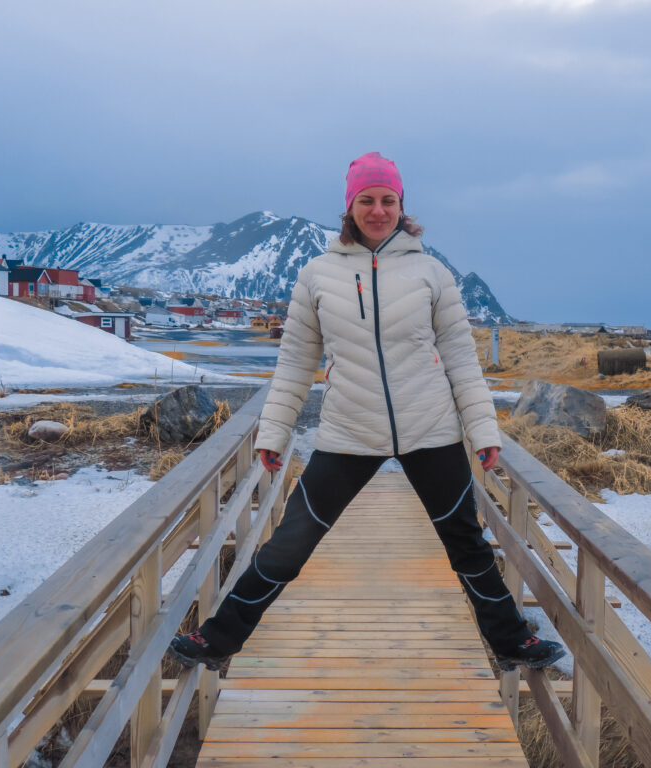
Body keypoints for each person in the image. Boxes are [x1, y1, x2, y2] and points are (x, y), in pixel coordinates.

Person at [170, 152, 564, 673]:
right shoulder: (317, 275)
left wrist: (483, 428)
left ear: (402, 206)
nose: (378, 210)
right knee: (290, 542)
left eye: (388, 200)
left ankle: (513, 641)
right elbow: (294, 363)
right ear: (349, 207)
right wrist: (273, 433)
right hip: (348, 431)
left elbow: (463, 359)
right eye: (367, 200)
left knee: (466, 544)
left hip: (431, 429)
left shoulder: (432, 273)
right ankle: (218, 639)